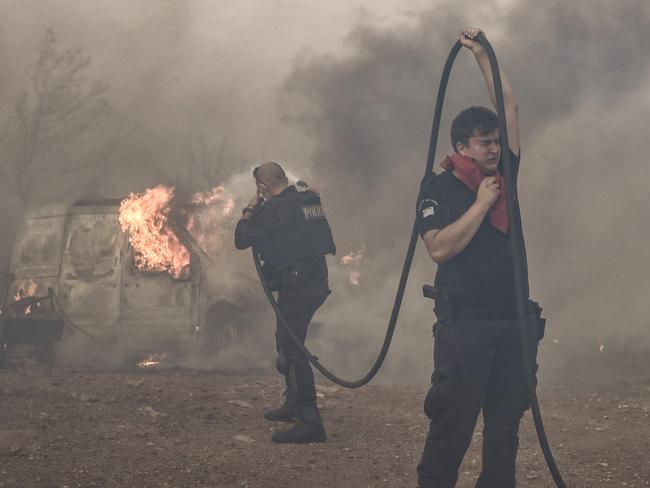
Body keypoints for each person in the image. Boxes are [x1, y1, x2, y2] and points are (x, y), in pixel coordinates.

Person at [415, 27, 544, 487]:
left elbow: (509, 107)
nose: (495, 148)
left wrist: (484, 54)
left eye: (496, 141)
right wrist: (481, 205)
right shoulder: (441, 188)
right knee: (452, 427)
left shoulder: (505, 172)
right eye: (484, 142)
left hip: (512, 323)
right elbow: (439, 247)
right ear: (462, 147)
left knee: (505, 429)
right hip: (465, 327)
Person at [234, 161, 335, 444]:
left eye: (260, 189)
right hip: (314, 282)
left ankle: (310, 421)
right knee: (285, 341)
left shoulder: (273, 209)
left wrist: (251, 207)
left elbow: (241, 238)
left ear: (263, 187)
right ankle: (293, 404)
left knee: (292, 348)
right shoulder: (306, 199)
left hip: (298, 287)